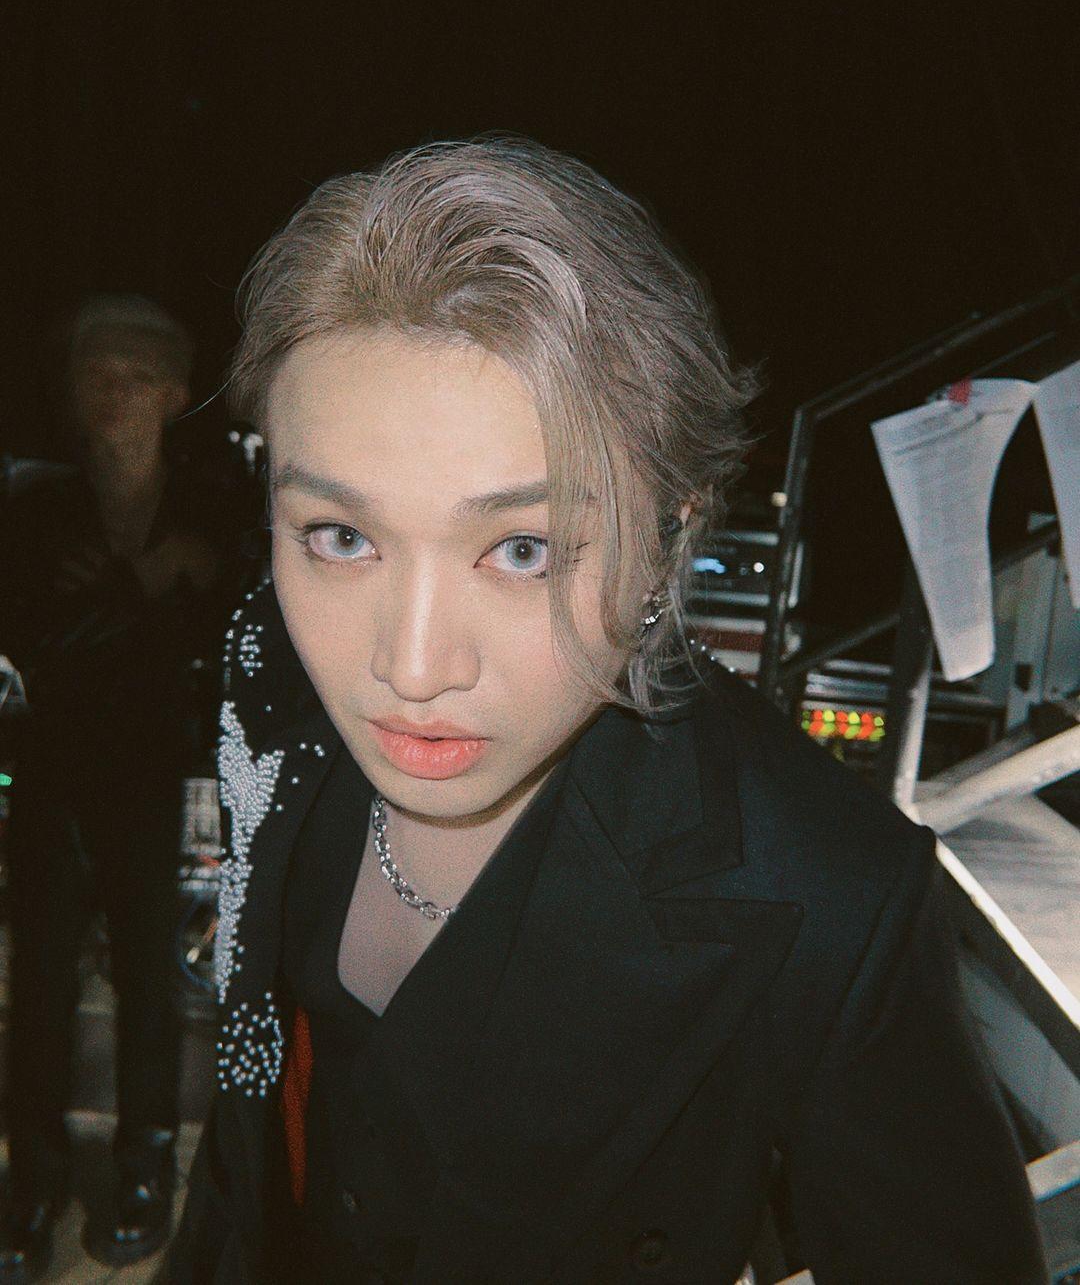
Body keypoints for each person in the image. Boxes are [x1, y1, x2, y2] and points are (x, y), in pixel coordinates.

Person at [171, 139, 1047, 1284]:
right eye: (341, 537)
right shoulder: (271, 677)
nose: (412, 666)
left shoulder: (827, 902)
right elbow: (246, 1133)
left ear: (668, 543)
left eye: (523, 550)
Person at [0, 295, 237, 1280]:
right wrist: (150, 587)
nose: (113, 393)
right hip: (51, 780)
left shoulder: (212, 507)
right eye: (95, 373)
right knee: (40, 983)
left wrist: (124, 602)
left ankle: (144, 1164)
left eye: (136, 376)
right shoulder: (34, 506)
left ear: (175, 393)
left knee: (150, 978)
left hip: (147, 780)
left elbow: (224, 644)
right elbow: (32, 640)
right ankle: (34, 1178)